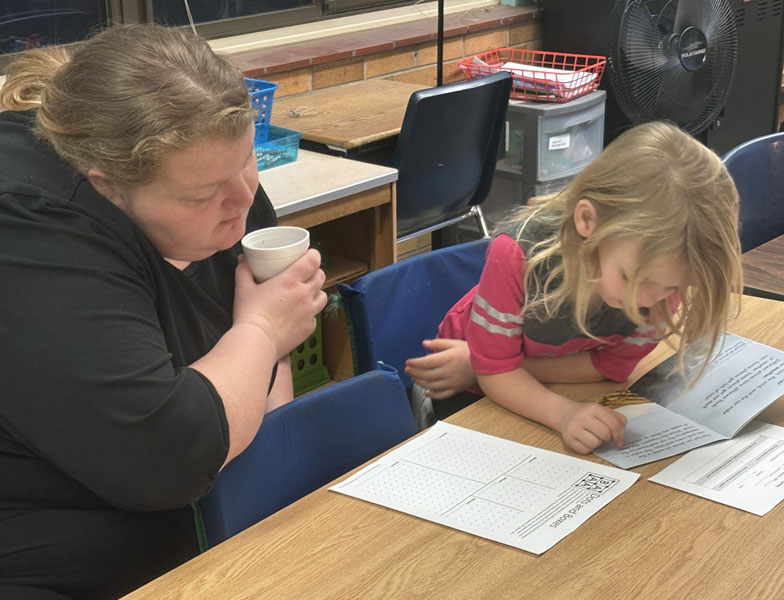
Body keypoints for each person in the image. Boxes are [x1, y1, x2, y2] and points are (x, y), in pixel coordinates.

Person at [0, 24, 327, 600]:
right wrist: (262, 330)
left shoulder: (229, 189)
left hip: (204, 531)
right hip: (53, 559)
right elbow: (164, 456)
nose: (244, 201)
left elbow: (265, 389)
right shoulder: (30, 231)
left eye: (249, 161)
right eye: (202, 196)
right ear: (108, 187)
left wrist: (268, 484)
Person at [405, 121, 743, 452]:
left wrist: (480, 367)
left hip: (501, 375)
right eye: (629, 277)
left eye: (671, 288)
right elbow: (497, 372)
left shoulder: (663, 286)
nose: (643, 301)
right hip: (456, 385)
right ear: (587, 222)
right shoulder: (516, 256)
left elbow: (611, 367)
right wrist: (561, 412)